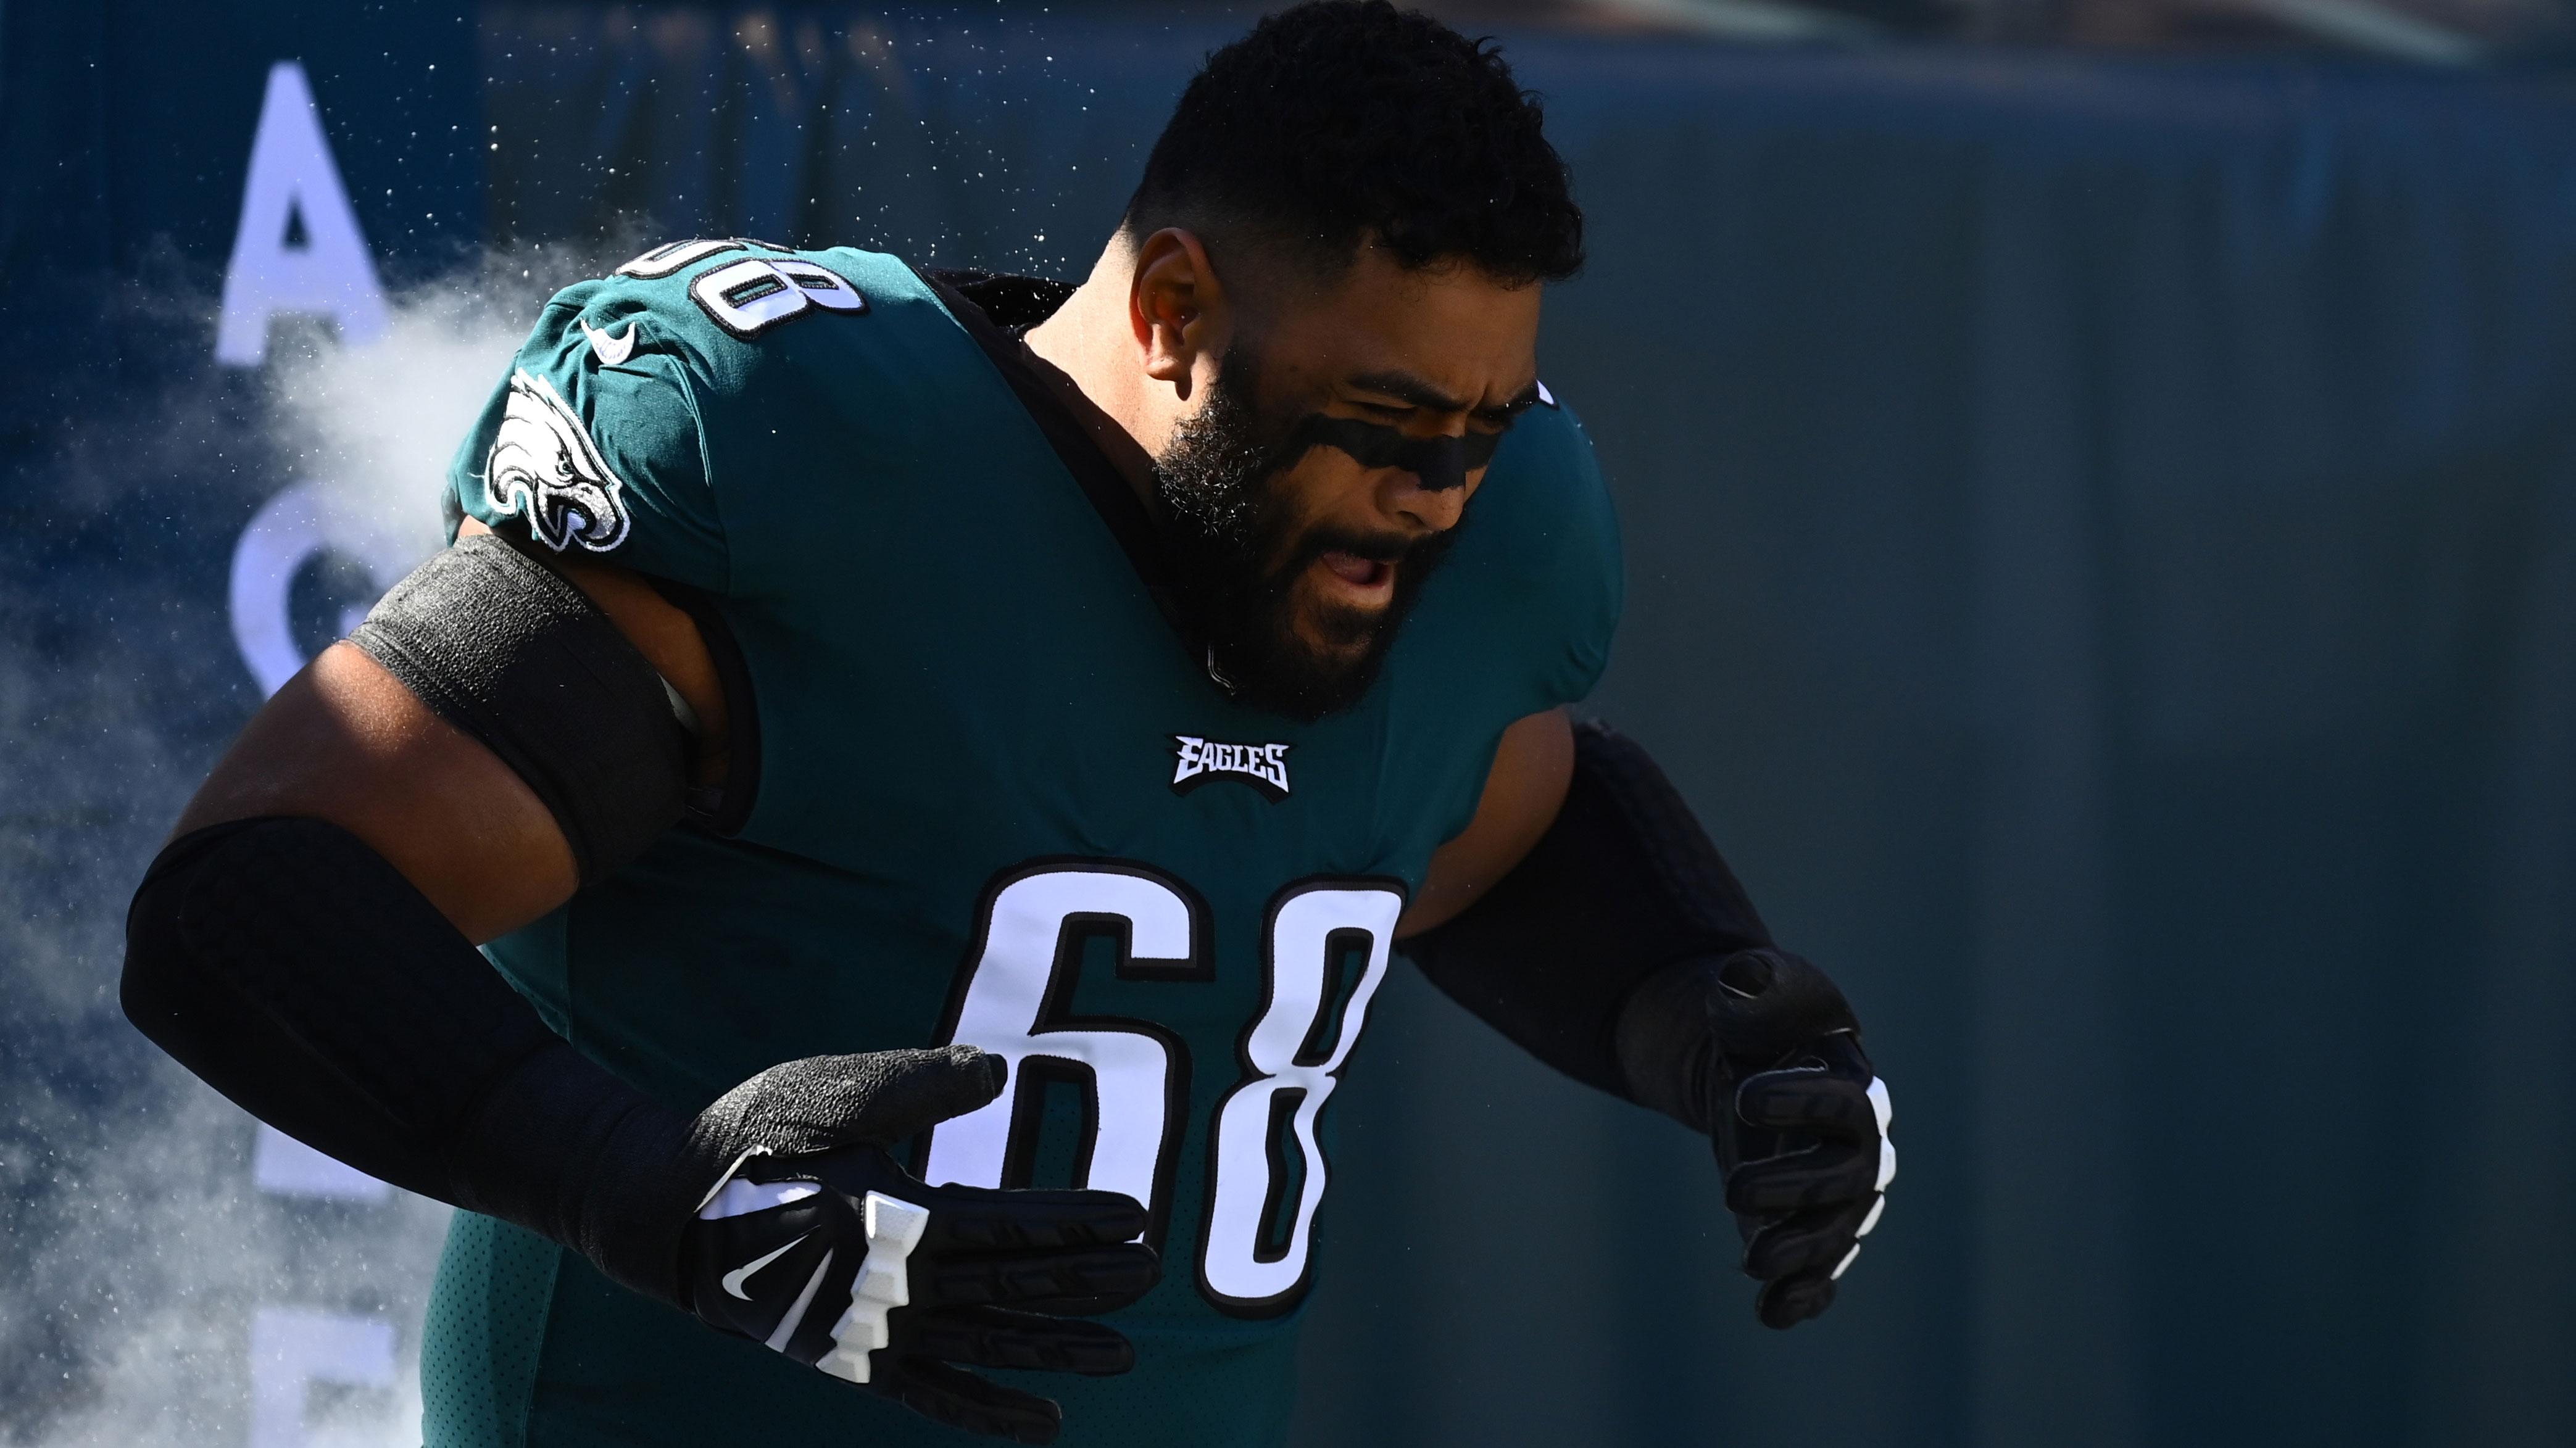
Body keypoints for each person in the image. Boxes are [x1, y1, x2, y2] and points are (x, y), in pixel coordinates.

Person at [122, 4, 1895, 1444]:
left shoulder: (1481, 550)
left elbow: (1477, 820)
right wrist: (653, 1190)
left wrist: (1708, 1016)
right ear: (1177, 312)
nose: (1433, 497)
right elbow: (248, 901)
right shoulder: (815, 466)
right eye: (1379, 420)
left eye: (1480, 429)